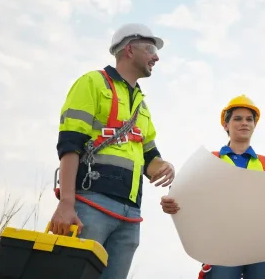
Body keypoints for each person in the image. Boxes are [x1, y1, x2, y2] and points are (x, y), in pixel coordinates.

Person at [49, 23, 176, 279]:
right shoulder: (92, 83)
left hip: (130, 214)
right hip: (90, 205)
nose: (156, 56)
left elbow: (149, 158)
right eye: (150, 48)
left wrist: (165, 167)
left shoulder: (142, 105)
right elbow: (69, 143)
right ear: (129, 49)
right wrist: (66, 202)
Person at [160, 95, 265, 279]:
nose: (244, 123)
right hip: (221, 243)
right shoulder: (210, 160)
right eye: (238, 118)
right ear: (225, 125)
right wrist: (170, 200)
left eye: (249, 119)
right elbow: (182, 190)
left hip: (263, 244)